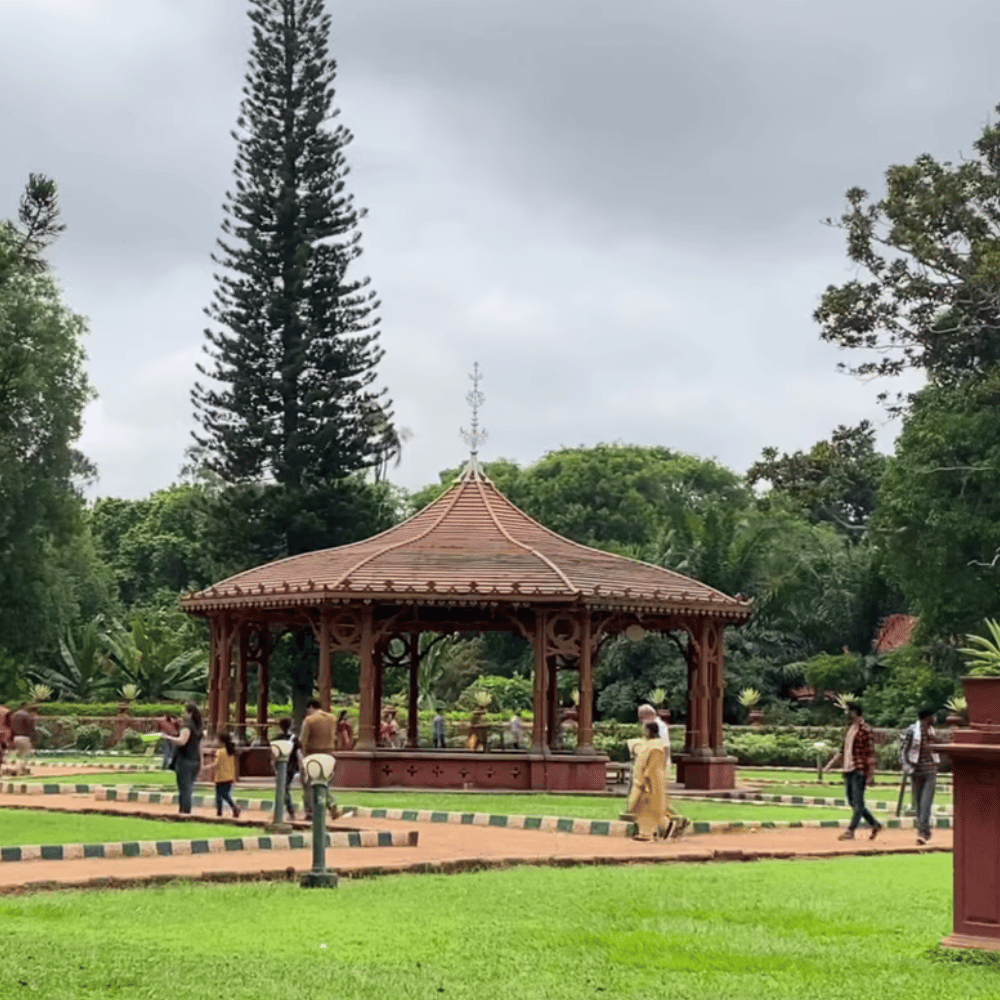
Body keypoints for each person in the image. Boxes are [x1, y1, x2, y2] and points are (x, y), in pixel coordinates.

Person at [825, 701, 882, 841]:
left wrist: (870, 774)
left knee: (858, 802)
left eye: (849, 711)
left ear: (856, 713)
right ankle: (874, 824)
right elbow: (843, 750)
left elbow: (870, 753)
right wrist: (830, 764)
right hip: (848, 769)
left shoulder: (865, 730)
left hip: (859, 769)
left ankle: (850, 830)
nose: (847, 714)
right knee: (852, 801)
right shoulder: (850, 729)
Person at [627, 721, 674, 840]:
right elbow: (635, 747)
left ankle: (649, 833)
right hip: (642, 779)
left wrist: (646, 780)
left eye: (645, 729)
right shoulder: (648, 743)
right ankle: (660, 828)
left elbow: (653, 766)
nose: (644, 731)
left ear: (650, 730)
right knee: (641, 807)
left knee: (647, 807)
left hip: (650, 781)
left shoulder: (656, 747)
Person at [902, 707, 942, 845]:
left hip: (930, 771)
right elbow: (903, 750)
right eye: (933, 716)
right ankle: (925, 831)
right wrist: (908, 768)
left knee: (925, 802)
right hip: (916, 771)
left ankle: (922, 832)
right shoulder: (913, 731)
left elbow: (938, 745)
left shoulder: (931, 731)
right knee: (919, 804)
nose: (935, 719)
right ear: (927, 717)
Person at [164, 701, 203, 815]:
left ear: (189, 713)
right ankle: (185, 811)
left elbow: (182, 741)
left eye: (185, 712)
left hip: (184, 760)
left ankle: (184, 811)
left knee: (184, 788)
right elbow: (200, 748)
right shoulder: (198, 729)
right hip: (195, 760)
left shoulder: (187, 727)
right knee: (188, 787)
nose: (183, 715)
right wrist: (202, 763)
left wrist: (167, 737)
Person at [299, 699, 336, 819]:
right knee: (325, 781)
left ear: (311, 707)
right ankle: (331, 803)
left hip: (312, 753)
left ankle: (310, 811)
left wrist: (303, 754)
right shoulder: (332, 718)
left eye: (308, 710)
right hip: (329, 753)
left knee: (308, 782)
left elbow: (303, 739)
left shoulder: (309, 720)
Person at [213, 731, 241, 819]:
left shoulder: (220, 751)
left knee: (219, 796)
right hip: (229, 777)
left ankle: (220, 812)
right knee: (225, 795)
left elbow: (216, 764)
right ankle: (233, 808)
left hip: (220, 777)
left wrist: (206, 767)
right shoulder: (230, 751)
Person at [277, 717, 301, 821]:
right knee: (284, 788)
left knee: (283, 788)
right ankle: (287, 811)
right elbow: (299, 753)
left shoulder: (278, 738)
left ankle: (289, 811)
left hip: (282, 766)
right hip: (292, 766)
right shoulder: (295, 738)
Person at [10, 702, 37, 776]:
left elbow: (10, 727)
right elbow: (31, 728)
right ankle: (18, 770)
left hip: (15, 737)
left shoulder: (14, 715)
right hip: (24, 737)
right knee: (25, 756)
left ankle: (21, 770)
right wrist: (34, 739)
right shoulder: (27, 715)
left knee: (17, 755)